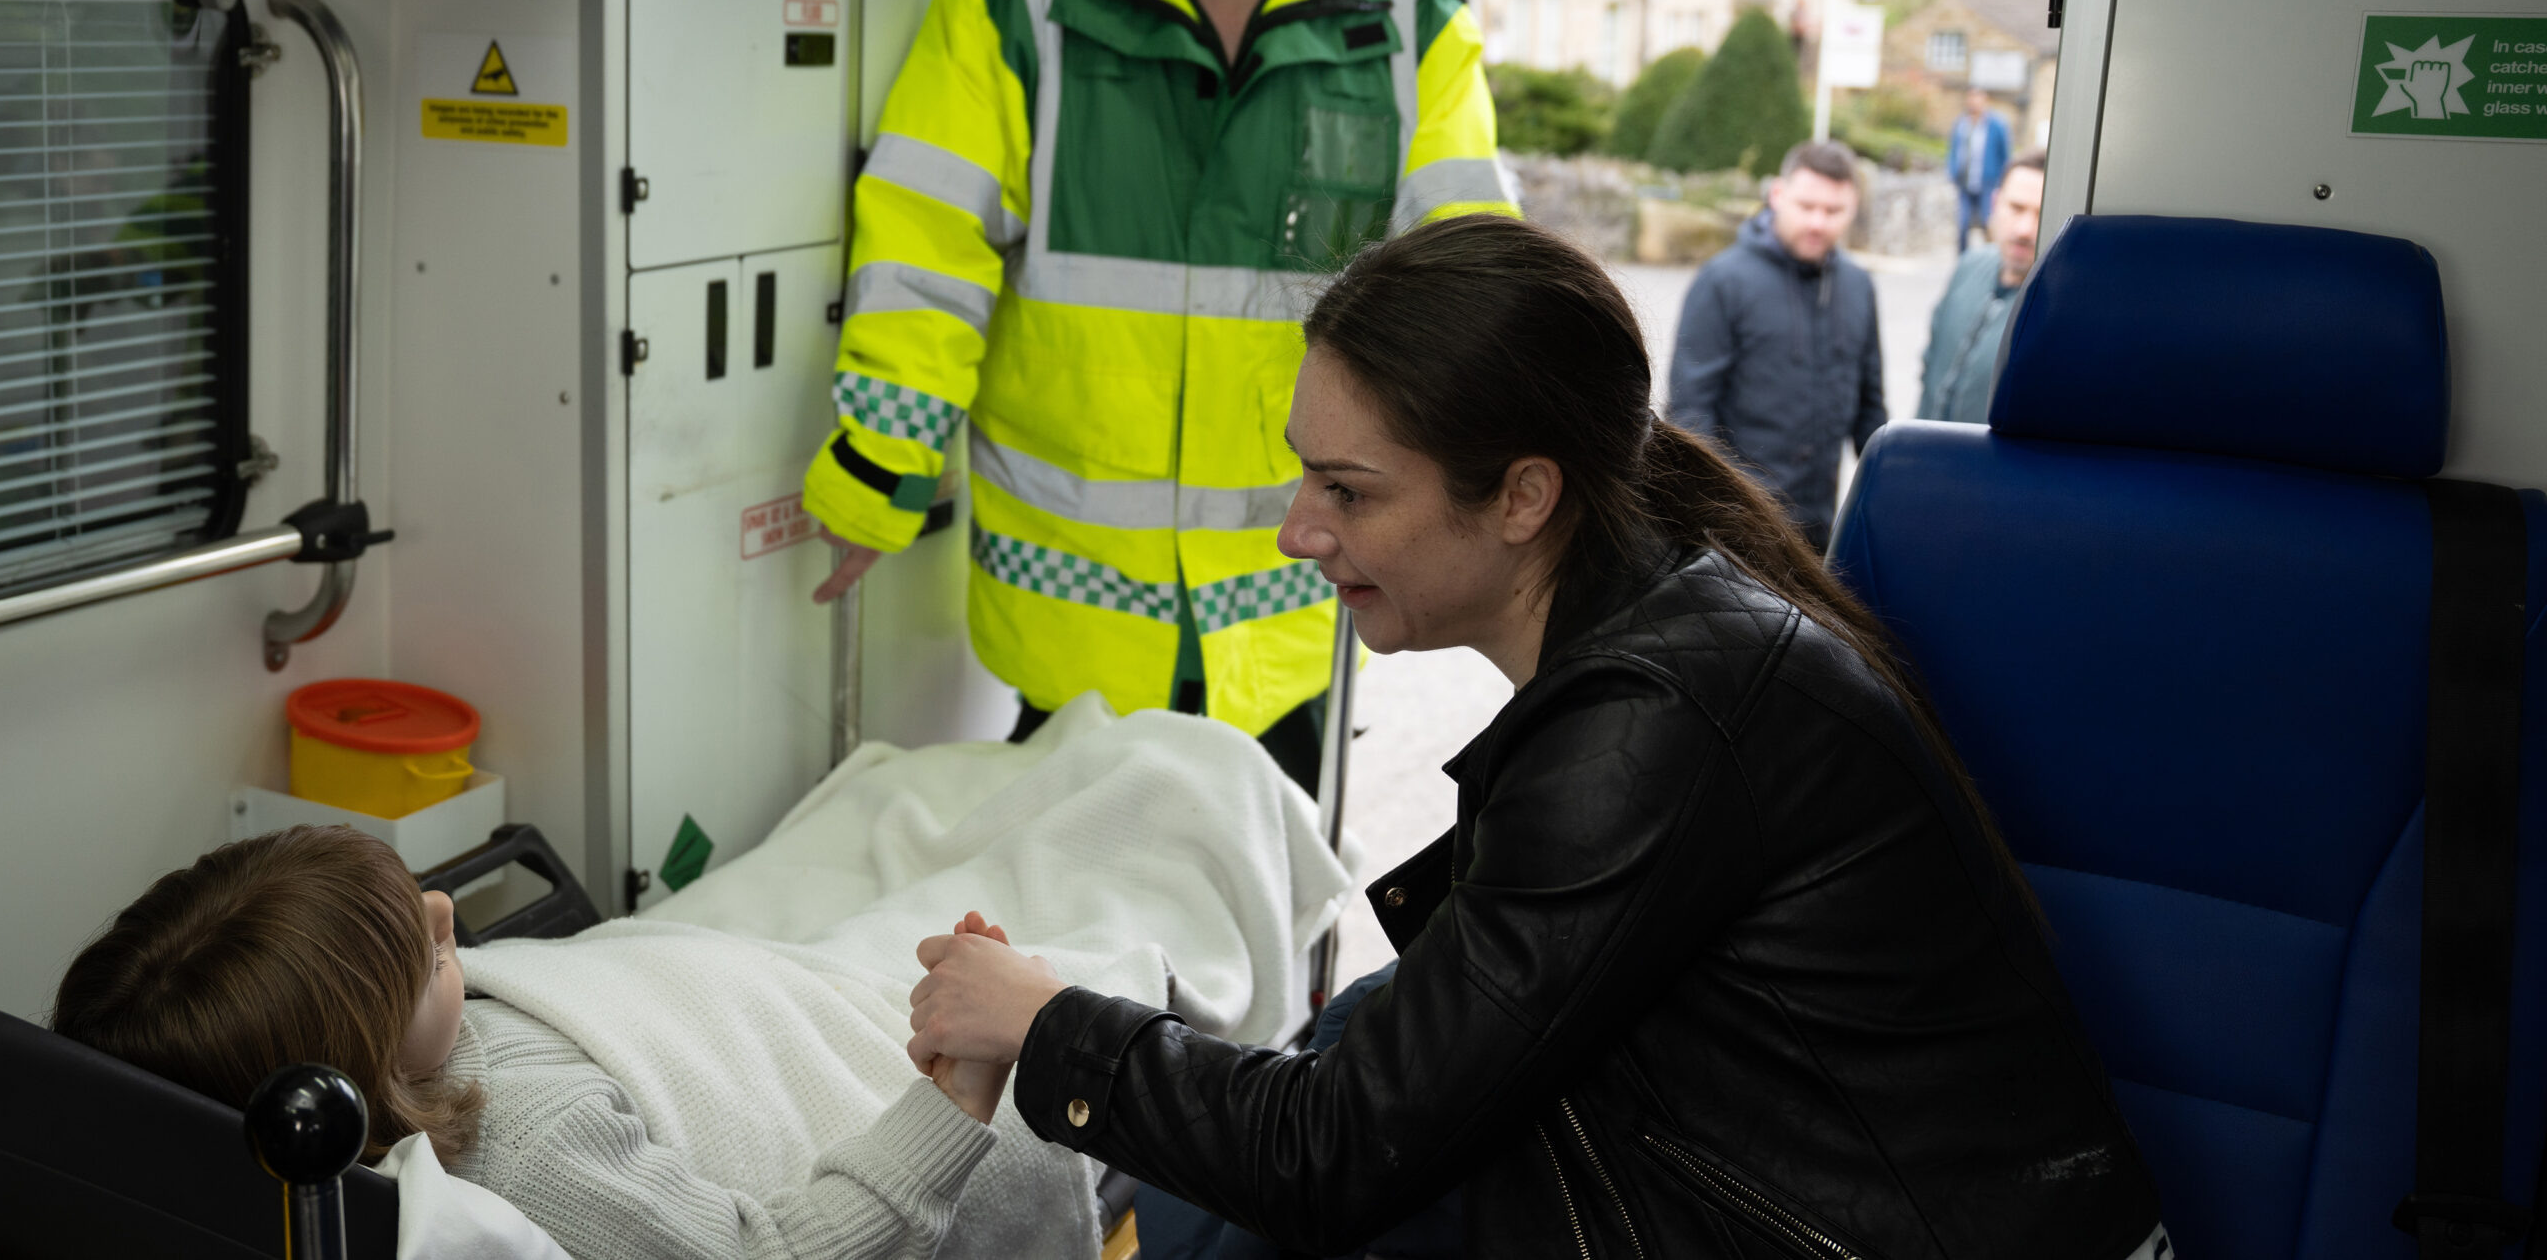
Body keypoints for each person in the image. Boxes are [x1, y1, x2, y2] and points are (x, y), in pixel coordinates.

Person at [903, 216, 2168, 1260]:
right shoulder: (1668, 624)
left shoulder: (1652, 726)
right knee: (1351, 1041)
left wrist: (1044, 1018)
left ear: (1522, 495)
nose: (1297, 529)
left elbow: (1336, 1149)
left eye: (1347, 489)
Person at [799, 0, 1515, 784]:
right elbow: (923, 259)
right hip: (1066, 635)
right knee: (1053, 944)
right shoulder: (1013, 1)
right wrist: (877, 471)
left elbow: (1477, 297)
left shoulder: (1412, 30)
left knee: (1254, 937)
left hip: (1292, 621)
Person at [50, 825, 1025, 1260]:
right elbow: (769, 1254)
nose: (445, 908)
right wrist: (959, 1097)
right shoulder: (531, 1148)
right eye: (429, 953)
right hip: (851, 1056)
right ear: (373, 1075)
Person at [1665, 139, 1883, 550]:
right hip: (1736, 535)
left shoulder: (1858, 286)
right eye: (1806, 206)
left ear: (1852, 209)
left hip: (1819, 533)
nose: (1818, 222)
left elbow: (1871, 409)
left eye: (1833, 211)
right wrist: (1716, 518)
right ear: (1777, 195)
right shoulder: (1722, 282)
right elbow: (1690, 413)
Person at [1920, 148, 2046, 422]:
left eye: (2040, 214)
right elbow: (1930, 368)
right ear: (1995, 203)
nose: (2025, 229)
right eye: (2016, 208)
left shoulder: (2054, 308)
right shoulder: (1969, 266)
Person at [1947, 86, 2012, 253]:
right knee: (1962, 225)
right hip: (1964, 183)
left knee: (1987, 224)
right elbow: (1954, 150)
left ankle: (1991, 259)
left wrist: (2004, 181)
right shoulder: (1961, 124)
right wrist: (1952, 171)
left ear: (1985, 101)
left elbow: (2005, 155)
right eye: (1971, 99)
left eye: (1978, 99)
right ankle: (1962, 261)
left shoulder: (1997, 125)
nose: (1974, 103)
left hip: (1988, 183)